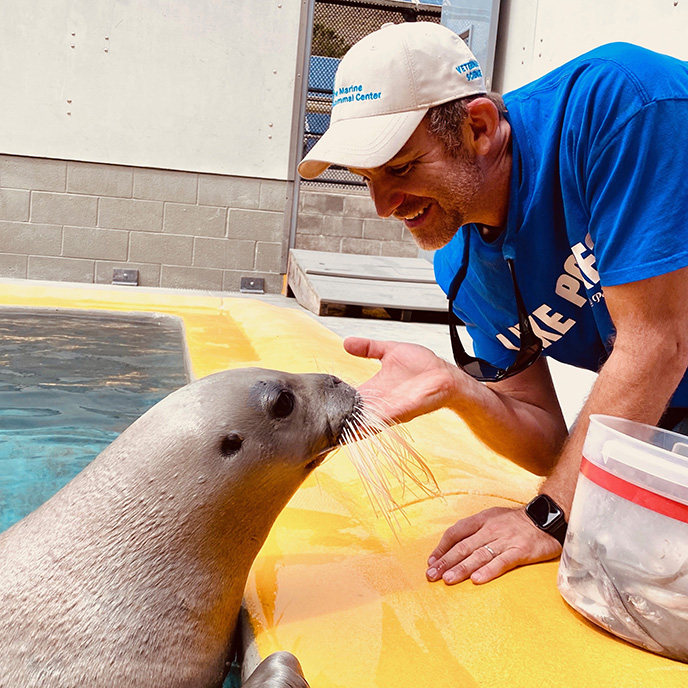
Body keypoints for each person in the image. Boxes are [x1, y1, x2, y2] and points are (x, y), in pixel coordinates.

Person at [298, 22, 688, 587]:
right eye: (366, 178)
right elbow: (553, 442)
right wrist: (462, 390)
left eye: (401, 168)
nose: (383, 206)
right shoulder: (458, 264)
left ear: (479, 128)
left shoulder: (617, 108)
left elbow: (659, 343)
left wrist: (549, 516)